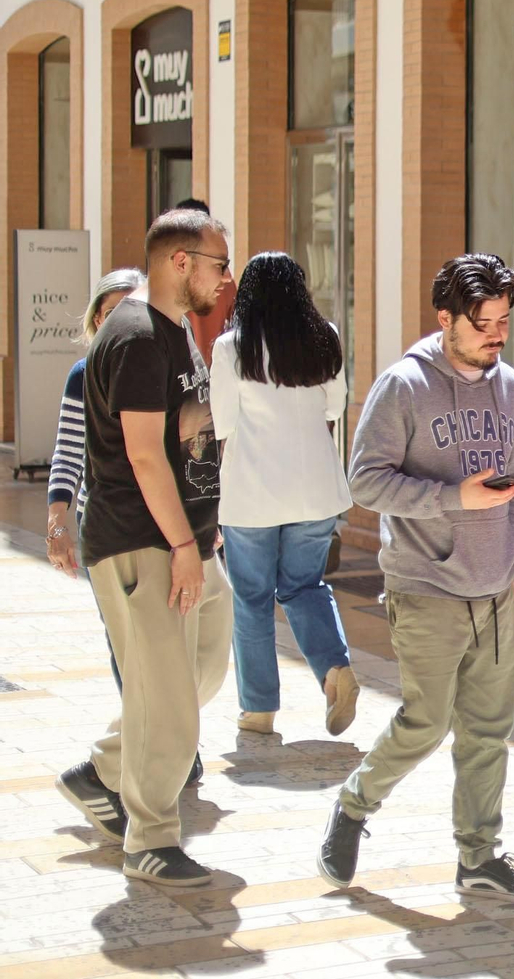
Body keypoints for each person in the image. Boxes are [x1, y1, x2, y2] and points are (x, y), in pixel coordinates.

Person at [318, 254, 514, 904]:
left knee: (488, 730)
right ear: (444, 317)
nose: (496, 336)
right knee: (426, 722)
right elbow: (363, 480)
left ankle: (479, 856)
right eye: (483, 323)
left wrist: (510, 555)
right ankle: (356, 803)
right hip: (425, 585)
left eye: (504, 321)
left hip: (495, 591)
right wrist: (454, 498)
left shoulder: (509, 384)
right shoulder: (404, 385)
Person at [54, 209, 235, 888]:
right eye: (218, 262)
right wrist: (183, 542)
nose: (227, 276)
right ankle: (150, 837)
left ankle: (102, 768)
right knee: (168, 699)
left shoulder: (173, 332)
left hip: (183, 540)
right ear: (179, 262)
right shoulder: (135, 336)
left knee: (204, 667)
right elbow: (140, 453)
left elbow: (175, 433)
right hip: (145, 540)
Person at [210, 252, 359, 737]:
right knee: (304, 587)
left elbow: (223, 424)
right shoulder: (326, 338)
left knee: (252, 599)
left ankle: (259, 710)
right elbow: (335, 407)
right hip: (316, 490)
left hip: (252, 493)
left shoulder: (232, 348)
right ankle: (336, 672)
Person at [45, 269, 144, 582]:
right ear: (98, 319)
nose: (123, 321)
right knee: (116, 630)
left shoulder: (168, 369)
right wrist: (57, 525)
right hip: (103, 523)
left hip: (162, 522)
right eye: (113, 312)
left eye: (135, 310)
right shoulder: (84, 375)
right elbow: (68, 453)